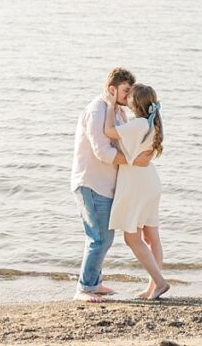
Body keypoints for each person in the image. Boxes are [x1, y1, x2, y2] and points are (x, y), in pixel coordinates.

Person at [70, 68, 155, 302]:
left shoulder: (116, 111)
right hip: (90, 182)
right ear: (112, 89)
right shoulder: (97, 109)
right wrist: (133, 161)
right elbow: (102, 151)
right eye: (126, 91)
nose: (129, 97)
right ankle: (84, 288)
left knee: (104, 237)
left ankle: (94, 283)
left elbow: (123, 142)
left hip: (105, 185)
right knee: (99, 237)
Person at [103, 83, 170, 300]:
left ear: (134, 103)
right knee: (152, 238)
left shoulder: (138, 124)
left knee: (132, 239)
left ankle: (159, 282)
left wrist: (110, 106)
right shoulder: (152, 124)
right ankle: (153, 287)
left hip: (136, 185)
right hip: (150, 182)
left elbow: (108, 132)